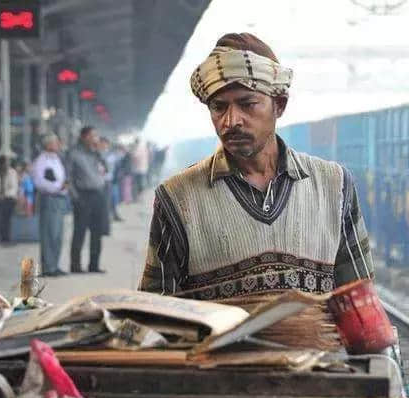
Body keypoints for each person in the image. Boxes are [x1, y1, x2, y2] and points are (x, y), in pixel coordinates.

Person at [139, 33, 373, 299]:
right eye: (218, 107)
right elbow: (154, 309)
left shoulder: (334, 185)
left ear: (279, 105)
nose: (231, 121)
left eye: (247, 104)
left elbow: (361, 303)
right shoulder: (177, 197)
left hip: (317, 343)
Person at [66, 126, 108, 273]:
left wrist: (99, 152)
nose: (95, 138)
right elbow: (68, 177)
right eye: (92, 135)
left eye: (96, 136)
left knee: (97, 232)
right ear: (84, 137)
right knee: (80, 231)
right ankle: (75, 266)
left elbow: (106, 168)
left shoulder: (96, 154)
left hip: (98, 195)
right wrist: (75, 197)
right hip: (82, 196)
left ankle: (94, 265)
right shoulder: (73, 154)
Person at [32, 133, 68, 277]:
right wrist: (56, 187)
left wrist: (63, 186)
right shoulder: (41, 161)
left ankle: (55, 264)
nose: (58, 145)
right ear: (48, 144)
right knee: (49, 233)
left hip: (60, 199)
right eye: (55, 142)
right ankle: (48, 267)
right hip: (49, 198)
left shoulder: (57, 159)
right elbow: (39, 181)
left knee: (58, 234)